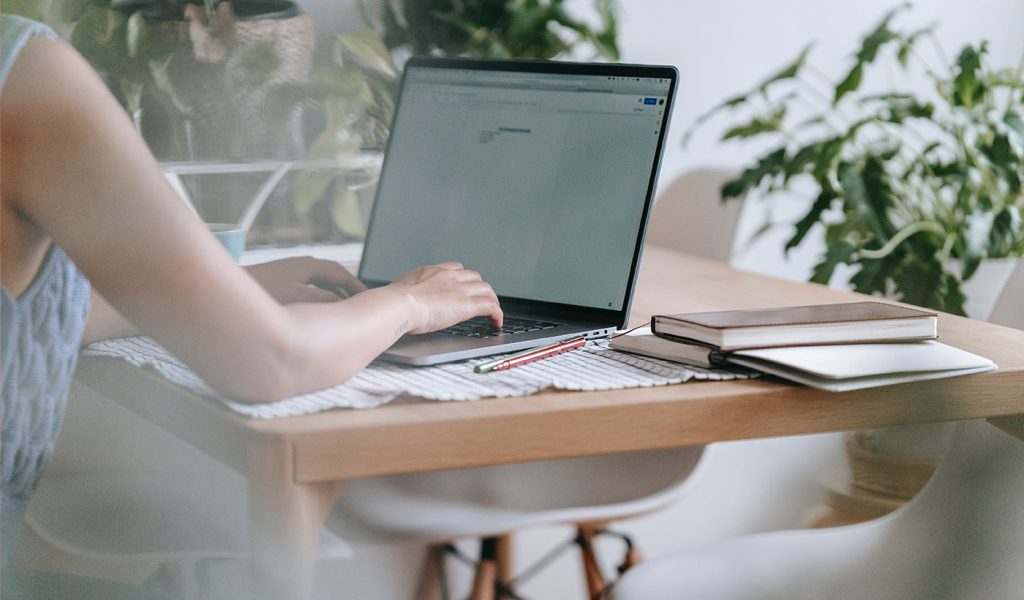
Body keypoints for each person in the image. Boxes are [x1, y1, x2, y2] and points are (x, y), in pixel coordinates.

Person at [0, 13, 502, 597]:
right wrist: (410, 302)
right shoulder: (27, 75)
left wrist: (227, 295)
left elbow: (33, 321)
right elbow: (272, 363)